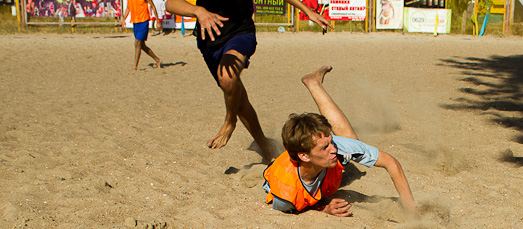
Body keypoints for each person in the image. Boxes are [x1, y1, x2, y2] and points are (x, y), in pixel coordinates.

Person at [165, 0, 331, 159]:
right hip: (209, 39)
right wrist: (198, 11)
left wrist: (308, 12)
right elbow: (170, 3)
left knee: (227, 79)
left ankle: (230, 121)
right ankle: (266, 149)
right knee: (238, 99)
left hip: (240, 33)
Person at [263, 66, 417, 217]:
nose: (334, 149)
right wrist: (323, 209)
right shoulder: (286, 194)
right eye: (325, 147)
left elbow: (391, 162)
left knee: (350, 143)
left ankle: (313, 84)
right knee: (349, 142)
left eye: (331, 141)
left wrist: (412, 212)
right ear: (304, 156)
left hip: (319, 170)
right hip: (290, 181)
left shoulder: (334, 147)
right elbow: (293, 209)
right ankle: (313, 83)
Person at [122, 0, 162, 70]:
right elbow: (128, 8)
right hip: (135, 22)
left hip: (144, 21)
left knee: (137, 43)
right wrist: (123, 20)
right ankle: (157, 60)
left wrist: (158, 21)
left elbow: (153, 6)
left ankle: (135, 66)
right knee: (142, 45)